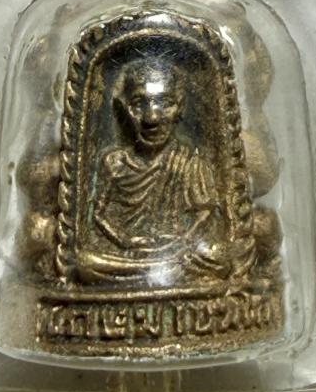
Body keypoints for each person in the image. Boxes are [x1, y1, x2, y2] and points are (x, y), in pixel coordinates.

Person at [78, 58, 231, 283]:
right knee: (84, 262)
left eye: (165, 103)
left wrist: (181, 242)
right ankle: (157, 276)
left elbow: (205, 213)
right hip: (127, 253)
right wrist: (125, 241)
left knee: (219, 256)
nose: (152, 118)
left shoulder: (191, 162)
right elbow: (97, 214)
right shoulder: (114, 162)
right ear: (123, 109)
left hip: (179, 251)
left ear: (180, 108)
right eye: (139, 104)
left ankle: (148, 276)